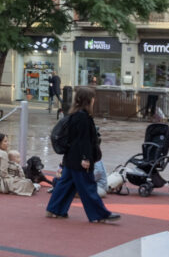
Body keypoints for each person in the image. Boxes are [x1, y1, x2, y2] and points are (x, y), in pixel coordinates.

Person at [44, 87, 121, 223]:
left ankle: (55, 209)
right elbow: (83, 141)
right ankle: (100, 214)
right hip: (80, 159)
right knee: (88, 187)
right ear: (88, 100)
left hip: (70, 158)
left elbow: (75, 140)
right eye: (93, 97)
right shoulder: (84, 117)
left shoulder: (74, 115)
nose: (94, 100)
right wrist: (86, 158)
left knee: (65, 185)